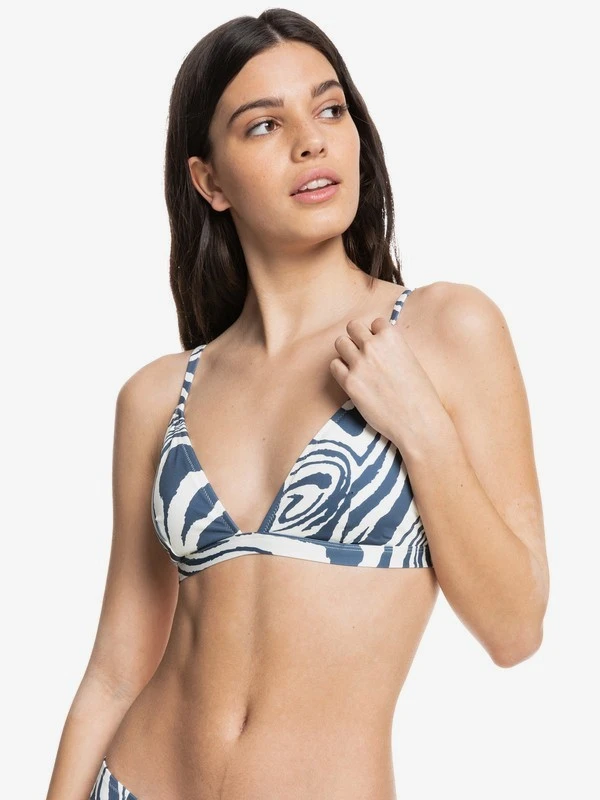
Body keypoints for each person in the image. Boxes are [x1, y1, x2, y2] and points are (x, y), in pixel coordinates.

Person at [46, 9, 549, 800]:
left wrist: (421, 427)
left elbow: (516, 630)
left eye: (330, 109)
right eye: (263, 125)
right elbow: (114, 672)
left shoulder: (446, 330)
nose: (311, 141)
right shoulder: (157, 394)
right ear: (209, 182)